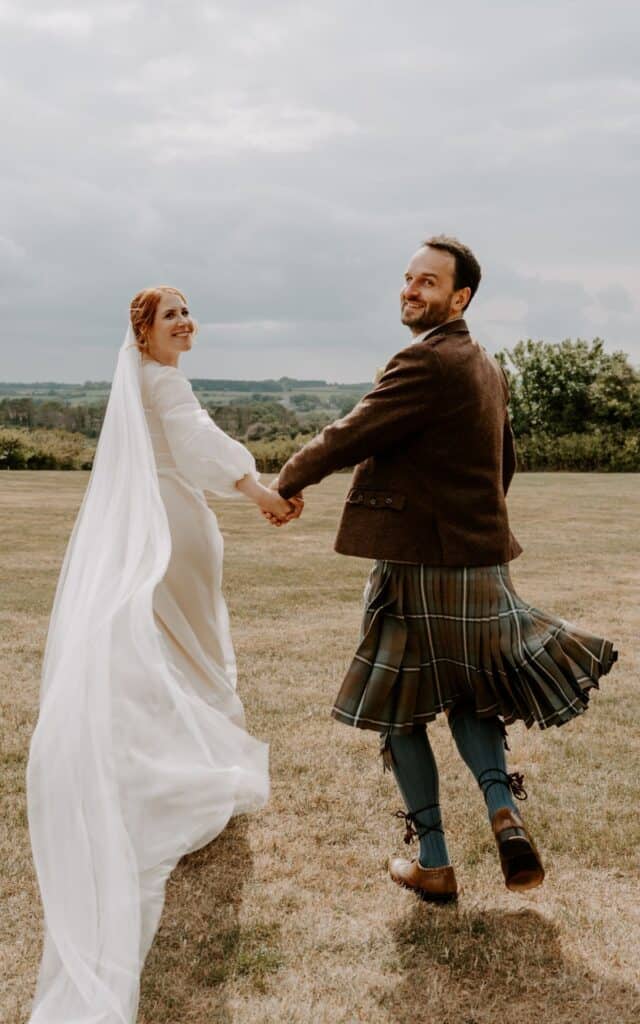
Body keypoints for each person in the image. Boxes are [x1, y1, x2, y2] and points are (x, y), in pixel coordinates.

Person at [267, 236, 617, 903]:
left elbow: (351, 433)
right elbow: (504, 463)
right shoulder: (486, 366)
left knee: (398, 707)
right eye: (408, 278)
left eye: (428, 282)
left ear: (460, 298)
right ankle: (502, 809)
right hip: (481, 560)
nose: (410, 289)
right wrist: (472, 528)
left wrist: (285, 482)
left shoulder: (425, 360)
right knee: (471, 692)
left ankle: (433, 860)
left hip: (418, 566)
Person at [26, 286, 297, 1023]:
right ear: (142, 334)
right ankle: (204, 767)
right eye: (168, 314)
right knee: (198, 650)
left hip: (155, 526)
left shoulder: (141, 381)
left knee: (174, 649)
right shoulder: (166, 384)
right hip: (176, 525)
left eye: (186, 311)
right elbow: (200, 449)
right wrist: (262, 493)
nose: (184, 321)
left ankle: (181, 756)